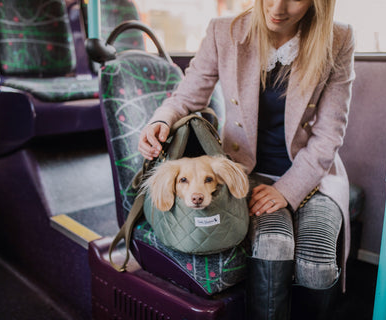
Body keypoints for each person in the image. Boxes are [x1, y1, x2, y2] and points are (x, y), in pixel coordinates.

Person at [138, 0, 355, 318]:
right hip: (246, 173)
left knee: (316, 261)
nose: (277, 8)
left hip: (312, 175)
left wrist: (286, 190)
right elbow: (187, 96)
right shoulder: (223, 32)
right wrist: (162, 120)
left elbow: (328, 137)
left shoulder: (338, 39)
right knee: (273, 246)